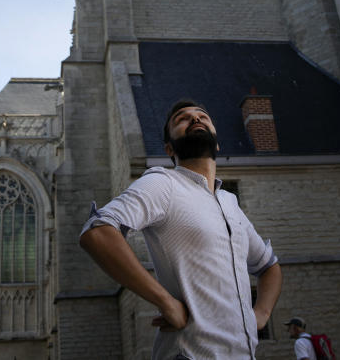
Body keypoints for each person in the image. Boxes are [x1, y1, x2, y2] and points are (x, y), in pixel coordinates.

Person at [79, 99, 283, 359]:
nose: (196, 119)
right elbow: (97, 231)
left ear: (217, 142)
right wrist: (165, 301)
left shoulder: (230, 203)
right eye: (182, 119)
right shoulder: (163, 183)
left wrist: (261, 315)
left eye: (202, 116)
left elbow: (269, 267)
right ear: (168, 148)